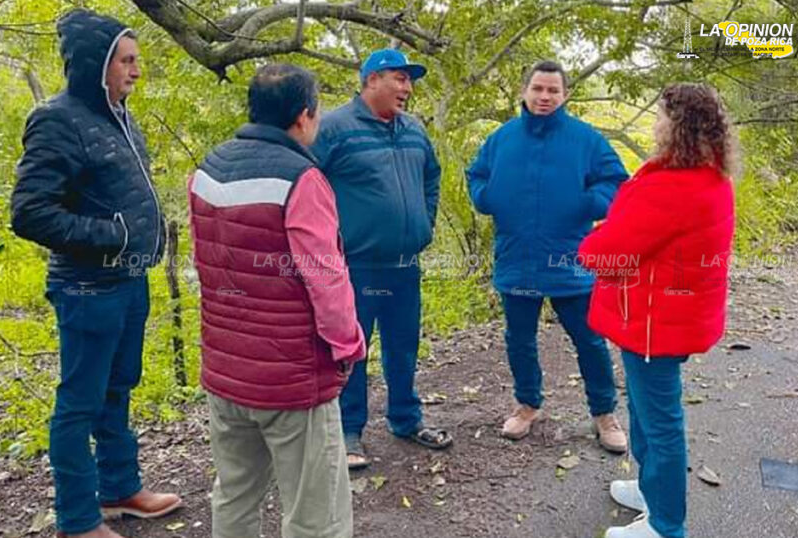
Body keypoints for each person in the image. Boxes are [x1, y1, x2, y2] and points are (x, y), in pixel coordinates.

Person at [10, 9, 179, 538]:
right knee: (79, 402)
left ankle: (119, 490)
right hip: (86, 286)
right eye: (126, 61)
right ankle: (78, 518)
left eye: (136, 61)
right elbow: (30, 212)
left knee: (118, 389)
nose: (135, 71)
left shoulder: (121, 117)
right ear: (96, 65)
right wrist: (116, 234)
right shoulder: (57, 118)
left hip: (128, 283)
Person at [188, 63, 365, 538]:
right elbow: (326, 280)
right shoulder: (301, 179)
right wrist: (348, 347)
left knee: (235, 495)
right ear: (305, 115)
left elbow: (204, 262)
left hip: (226, 370)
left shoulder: (207, 168)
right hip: (291, 378)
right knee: (315, 512)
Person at [578, 83, 737, 538]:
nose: (655, 124)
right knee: (646, 413)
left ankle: (667, 525)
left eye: (662, 116)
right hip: (667, 318)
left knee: (661, 423)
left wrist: (595, 238)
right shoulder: (710, 177)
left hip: (652, 323)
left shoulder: (672, 188)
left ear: (678, 128)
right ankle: (651, 492)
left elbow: (604, 255)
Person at [465, 60, 630, 452]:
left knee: (589, 339)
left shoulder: (585, 139)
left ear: (565, 95)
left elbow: (616, 181)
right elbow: (477, 176)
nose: (544, 97)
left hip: (567, 259)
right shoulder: (503, 139)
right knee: (519, 339)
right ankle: (527, 405)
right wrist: (487, 198)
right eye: (538, 88)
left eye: (553, 90)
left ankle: (604, 415)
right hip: (516, 256)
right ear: (525, 91)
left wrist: (588, 203)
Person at [311, 48, 451, 470]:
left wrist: (424, 222)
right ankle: (349, 430)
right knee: (353, 349)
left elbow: (431, 175)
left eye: (409, 80)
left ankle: (406, 419)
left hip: (405, 265)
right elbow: (307, 184)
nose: (407, 87)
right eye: (399, 78)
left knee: (404, 345)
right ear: (371, 80)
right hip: (356, 265)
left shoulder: (412, 129)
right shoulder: (334, 128)